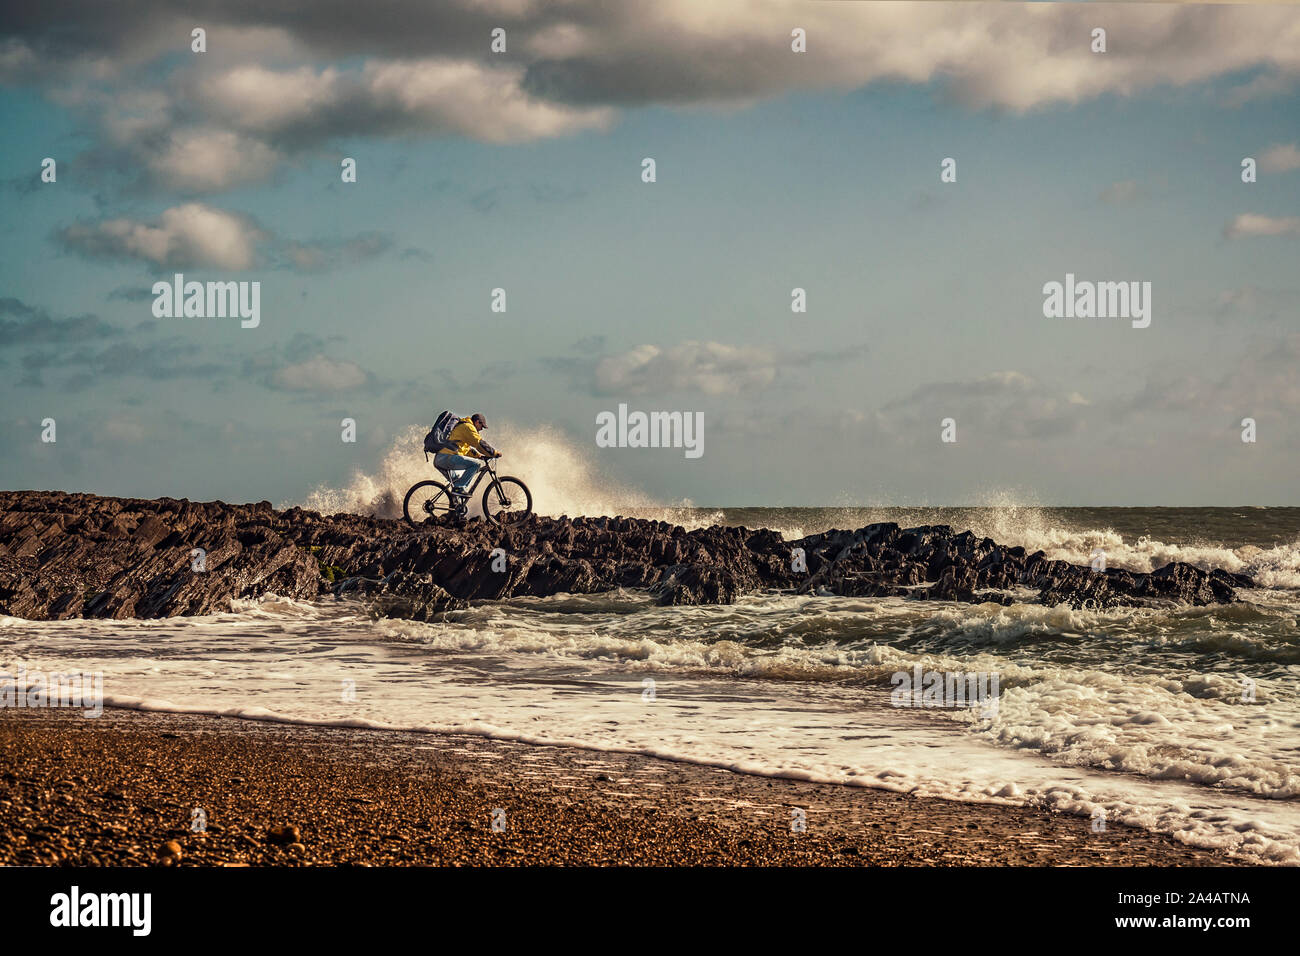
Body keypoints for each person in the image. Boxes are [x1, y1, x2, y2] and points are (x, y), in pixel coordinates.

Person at [433, 413, 500, 514]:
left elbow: (465, 449)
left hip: (442, 458)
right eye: (482, 426)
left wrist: (479, 456)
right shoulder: (468, 427)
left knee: (456, 483)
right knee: (475, 465)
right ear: (477, 422)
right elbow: (479, 443)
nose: (481, 429)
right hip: (446, 457)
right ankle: (459, 488)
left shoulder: (464, 427)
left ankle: (455, 513)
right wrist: (494, 453)